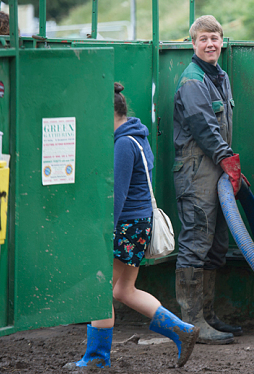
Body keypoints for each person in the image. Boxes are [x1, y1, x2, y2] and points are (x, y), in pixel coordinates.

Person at [67, 83, 199, 370]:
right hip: (138, 225)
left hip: (126, 226)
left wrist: (106, 233)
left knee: (98, 293)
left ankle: (96, 359)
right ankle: (182, 330)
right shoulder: (136, 135)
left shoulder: (124, 144)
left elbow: (118, 193)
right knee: (123, 291)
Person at [172, 15, 247, 345]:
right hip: (196, 171)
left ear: (222, 41)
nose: (210, 44)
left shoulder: (221, 76)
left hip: (217, 168)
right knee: (196, 243)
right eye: (203, 39)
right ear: (193, 44)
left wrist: (228, 163)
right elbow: (203, 127)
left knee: (217, 244)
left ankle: (208, 315)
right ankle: (191, 324)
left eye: (215, 38)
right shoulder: (192, 81)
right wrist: (226, 159)